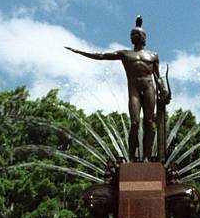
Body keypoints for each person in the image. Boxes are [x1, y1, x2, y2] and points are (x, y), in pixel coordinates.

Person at [65, 16, 169, 161]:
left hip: (148, 86)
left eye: (134, 34)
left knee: (149, 122)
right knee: (134, 123)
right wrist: (80, 52)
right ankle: (132, 157)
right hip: (134, 89)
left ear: (142, 37)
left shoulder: (153, 55)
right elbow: (102, 56)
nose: (132, 37)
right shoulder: (125, 54)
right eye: (131, 35)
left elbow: (157, 77)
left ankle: (146, 156)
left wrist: (163, 89)